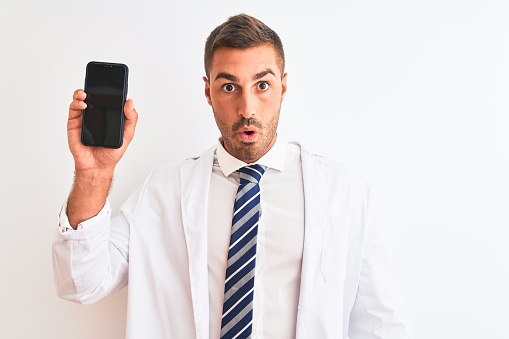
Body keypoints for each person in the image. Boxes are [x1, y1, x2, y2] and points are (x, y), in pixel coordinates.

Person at [53, 13, 412, 339]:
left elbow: (380, 324)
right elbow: (80, 282)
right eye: (229, 87)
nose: (247, 109)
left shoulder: (341, 190)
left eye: (262, 85)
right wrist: (95, 173)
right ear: (208, 91)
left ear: (283, 87)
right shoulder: (162, 191)